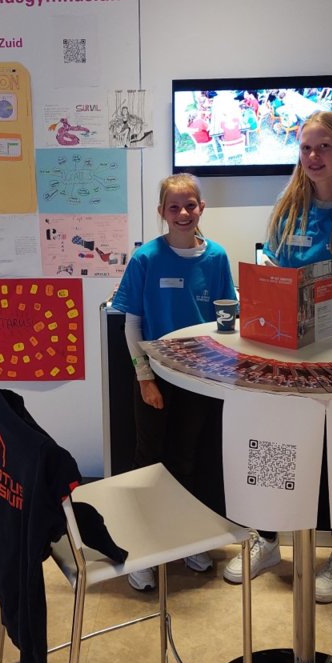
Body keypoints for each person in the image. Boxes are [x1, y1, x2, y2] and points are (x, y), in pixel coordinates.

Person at [224, 110, 332, 602]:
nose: (313, 156)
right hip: (289, 351)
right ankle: (267, 538)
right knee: (275, 443)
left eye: (324, 146)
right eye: (306, 147)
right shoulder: (289, 206)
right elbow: (274, 270)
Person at [113, 172, 236, 591]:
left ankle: (184, 540)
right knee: (150, 461)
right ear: (162, 212)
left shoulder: (216, 257)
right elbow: (132, 324)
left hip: (200, 381)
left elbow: (225, 318)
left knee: (189, 459)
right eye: (174, 207)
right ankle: (142, 549)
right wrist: (144, 378)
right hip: (155, 380)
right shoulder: (146, 258)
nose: (183, 213)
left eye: (190, 205)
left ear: (202, 208)